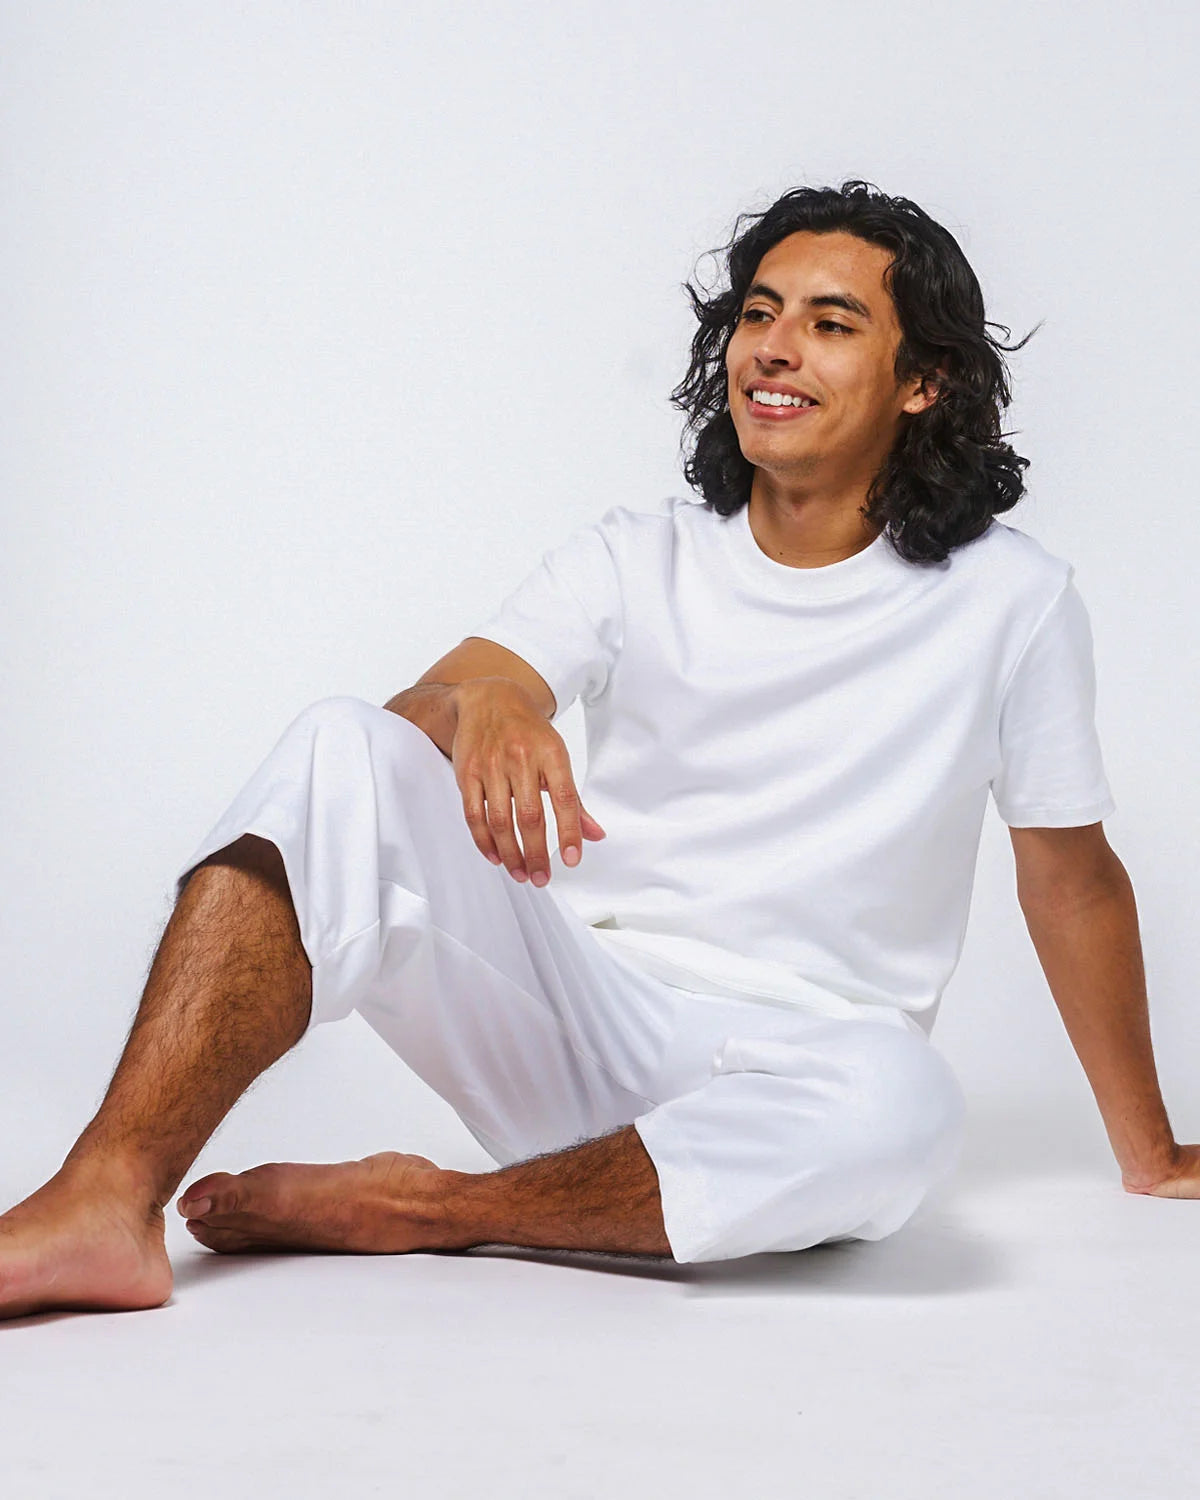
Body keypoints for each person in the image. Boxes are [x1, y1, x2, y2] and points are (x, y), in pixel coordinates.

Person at [2, 180, 1193, 1322]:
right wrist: (487, 707)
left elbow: (1070, 874)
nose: (773, 348)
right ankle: (104, 1197)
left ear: (924, 381)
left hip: (811, 1068)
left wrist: (1147, 1149)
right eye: (758, 315)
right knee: (338, 744)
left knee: (912, 1106)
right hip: (577, 1017)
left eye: (832, 324)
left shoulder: (1014, 600)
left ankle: (435, 1206)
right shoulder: (640, 556)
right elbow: (421, 713)